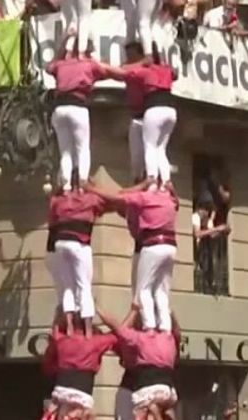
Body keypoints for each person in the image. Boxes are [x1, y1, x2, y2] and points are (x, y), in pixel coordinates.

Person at [90, 175, 178, 333]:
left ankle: (149, 327)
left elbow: (120, 194)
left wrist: (91, 188)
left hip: (150, 245)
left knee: (142, 290)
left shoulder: (142, 198)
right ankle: (165, 327)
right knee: (160, 290)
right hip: (169, 245)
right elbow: (175, 203)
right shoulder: (166, 198)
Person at [97, 45, 177, 188]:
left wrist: (101, 65)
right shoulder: (166, 70)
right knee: (160, 149)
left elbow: (122, 73)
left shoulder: (144, 72)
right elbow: (175, 74)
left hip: (154, 109)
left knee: (150, 146)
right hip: (171, 110)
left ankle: (151, 181)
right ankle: (166, 181)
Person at [97, 304, 179, 420]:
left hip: (144, 383)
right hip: (137, 384)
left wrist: (133, 311)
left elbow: (118, 331)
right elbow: (119, 335)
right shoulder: (162, 338)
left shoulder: (141, 338)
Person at [45, 182, 109, 328]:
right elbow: (107, 202)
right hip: (79, 243)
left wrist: (58, 191)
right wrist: (92, 186)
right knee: (84, 285)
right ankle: (87, 330)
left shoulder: (58, 201)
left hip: (59, 244)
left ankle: (69, 325)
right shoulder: (90, 199)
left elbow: (51, 213)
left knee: (67, 286)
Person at [41, 311, 118, 419]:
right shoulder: (95, 342)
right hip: (78, 398)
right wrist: (98, 309)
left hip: (64, 395)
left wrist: (60, 313)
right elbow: (120, 331)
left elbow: (48, 366)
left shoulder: (60, 339)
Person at [47, 41, 99, 191]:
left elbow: (49, 67)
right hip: (77, 106)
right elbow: (105, 71)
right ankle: (82, 184)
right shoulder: (88, 64)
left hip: (59, 109)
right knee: (83, 149)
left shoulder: (61, 64)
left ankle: (66, 185)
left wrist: (62, 46)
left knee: (65, 151)